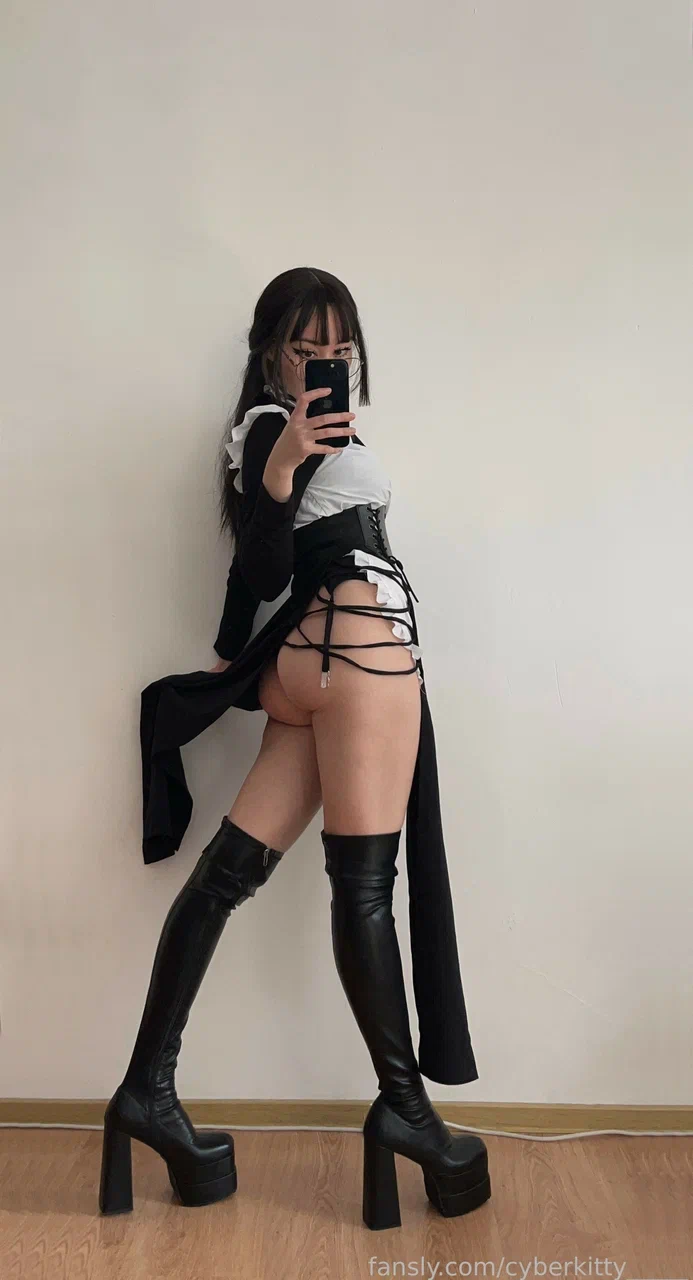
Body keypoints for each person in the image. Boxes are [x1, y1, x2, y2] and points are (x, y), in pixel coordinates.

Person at [99, 267, 491, 1230]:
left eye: (338, 348)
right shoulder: (270, 432)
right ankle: (405, 1115)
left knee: (223, 879)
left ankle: (145, 1091)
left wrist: (232, 632)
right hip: (358, 656)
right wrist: (276, 475)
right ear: (269, 352)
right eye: (303, 347)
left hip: (313, 666)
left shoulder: (294, 432)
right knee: (364, 890)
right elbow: (266, 562)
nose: (323, 360)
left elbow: (254, 592)